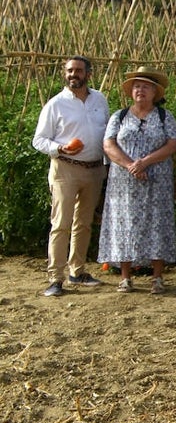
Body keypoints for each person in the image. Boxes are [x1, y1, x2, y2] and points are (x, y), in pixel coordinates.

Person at [32, 56, 110, 296]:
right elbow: (39, 140)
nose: (73, 74)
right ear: (64, 74)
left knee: (84, 223)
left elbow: (106, 132)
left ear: (88, 74)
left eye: (78, 70)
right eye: (69, 71)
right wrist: (60, 148)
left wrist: (107, 166)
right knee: (61, 224)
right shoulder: (55, 104)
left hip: (94, 169)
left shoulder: (100, 99)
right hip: (65, 168)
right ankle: (55, 278)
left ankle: (77, 271)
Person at [98, 67, 176, 294]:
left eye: (145, 86)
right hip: (123, 182)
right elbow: (108, 144)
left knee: (158, 223)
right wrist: (130, 165)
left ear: (155, 92)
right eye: (136, 86)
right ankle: (126, 277)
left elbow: (173, 144)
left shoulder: (165, 117)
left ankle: (157, 277)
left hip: (156, 181)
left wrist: (145, 162)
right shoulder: (119, 116)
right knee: (124, 224)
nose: (140, 90)